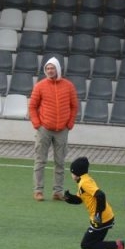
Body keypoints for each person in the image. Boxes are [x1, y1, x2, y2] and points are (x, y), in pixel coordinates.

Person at [63, 157, 125, 249]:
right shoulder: (84, 180)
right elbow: (80, 199)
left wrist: (98, 215)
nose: (71, 174)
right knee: (96, 243)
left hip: (101, 219)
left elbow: (101, 195)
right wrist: (69, 198)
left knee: (86, 244)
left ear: (76, 172)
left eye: (71, 172)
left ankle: (117, 244)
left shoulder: (84, 182)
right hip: (106, 217)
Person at [28, 56, 79, 202]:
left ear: (58, 69)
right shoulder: (40, 86)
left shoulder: (68, 86)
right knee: (40, 161)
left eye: (52, 68)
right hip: (44, 129)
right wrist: (37, 124)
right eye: (48, 68)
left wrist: (69, 124)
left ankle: (58, 192)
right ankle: (38, 191)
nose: (50, 70)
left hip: (62, 130)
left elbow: (74, 106)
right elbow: (32, 106)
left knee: (60, 162)